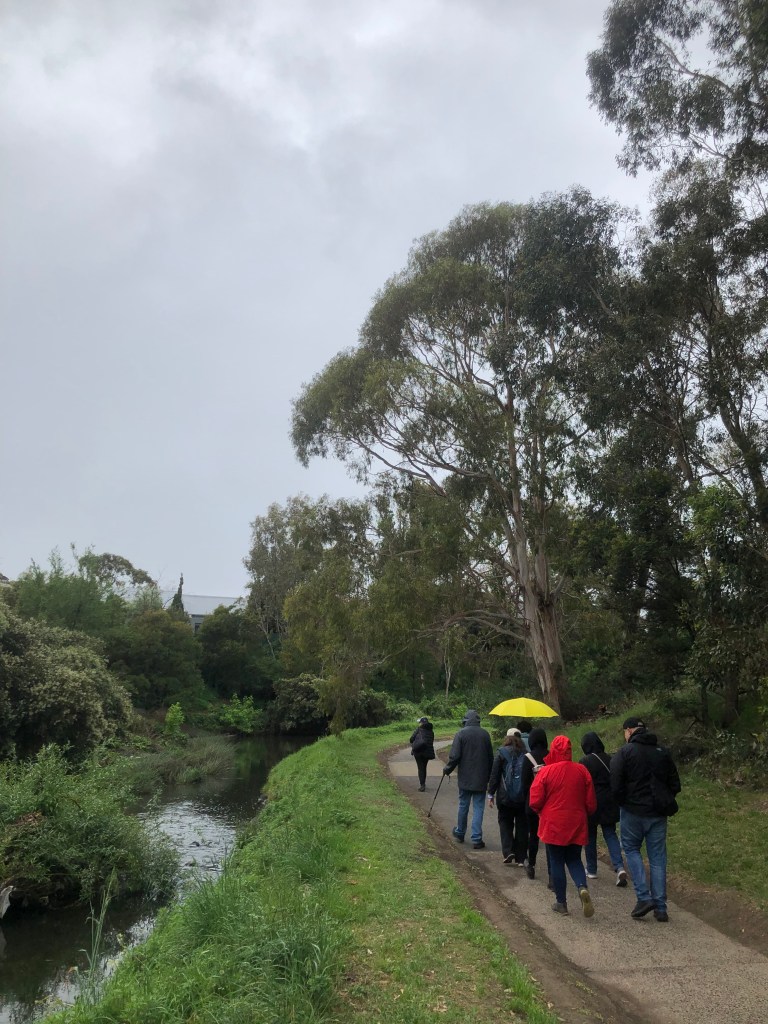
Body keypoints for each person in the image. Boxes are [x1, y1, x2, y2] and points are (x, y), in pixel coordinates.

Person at [611, 716, 681, 923]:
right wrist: (663, 799)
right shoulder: (662, 752)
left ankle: (643, 897)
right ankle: (661, 907)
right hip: (658, 813)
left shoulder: (625, 753)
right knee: (657, 857)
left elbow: (615, 783)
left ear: (629, 731)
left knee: (631, 849)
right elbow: (675, 784)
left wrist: (623, 802)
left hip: (632, 811)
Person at [529, 735, 597, 917]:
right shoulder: (582, 770)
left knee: (556, 860)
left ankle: (561, 902)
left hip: (553, 823)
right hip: (576, 821)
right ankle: (582, 886)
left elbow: (535, 801)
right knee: (574, 859)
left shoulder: (546, 772)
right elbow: (591, 803)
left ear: (553, 750)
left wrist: (542, 811)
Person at [579, 732, 629, 887]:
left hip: (592, 800)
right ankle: (619, 867)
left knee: (590, 836)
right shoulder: (610, 759)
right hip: (610, 801)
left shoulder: (585, 761)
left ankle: (592, 869)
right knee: (610, 833)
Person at [443, 709, 494, 850]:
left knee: (463, 805)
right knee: (478, 807)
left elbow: (454, 756)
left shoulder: (461, 734)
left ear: (465, 721)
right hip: (481, 778)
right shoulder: (485, 734)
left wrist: (447, 769)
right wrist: (490, 776)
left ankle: (460, 832)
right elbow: (490, 758)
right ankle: (477, 838)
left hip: (465, 778)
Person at [487, 728, 529, 865]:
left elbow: (494, 775)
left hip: (505, 797)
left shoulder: (501, 753)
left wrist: (491, 794)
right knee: (522, 825)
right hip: (522, 797)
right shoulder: (526, 754)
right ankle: (521, 857)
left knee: (505, 822)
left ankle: (508, 850)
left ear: (507, 738)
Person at [521, 726, 549, 881]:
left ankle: (531, 864)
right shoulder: (551, 756)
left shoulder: (528, 757)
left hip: (532, 803)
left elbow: (524, 783)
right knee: (549, 838)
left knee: (533, 835)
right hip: (549, 804)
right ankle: (552, 873)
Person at [409, 716, 436, 791]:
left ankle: (422, 785)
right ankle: (423, 783)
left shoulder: (419, 729)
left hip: (418, 752)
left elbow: (411, 739)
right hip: (427, 752)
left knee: (420, 768)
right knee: (424, 767)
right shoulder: (431, 732)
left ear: (421, 723)